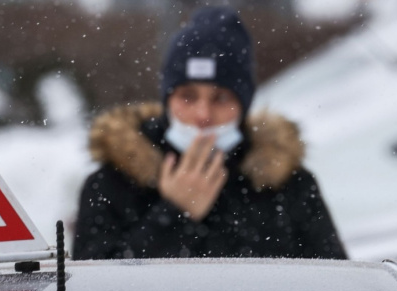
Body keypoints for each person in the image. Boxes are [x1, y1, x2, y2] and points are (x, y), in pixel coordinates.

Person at [73, 7, 347, 261]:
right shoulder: (112, 183)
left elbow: (338, 289)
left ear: (244, 104)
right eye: (188, 97)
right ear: (168, 100)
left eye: (221, 97)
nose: (203, 114)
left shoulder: (288, 184)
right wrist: (174, 215)